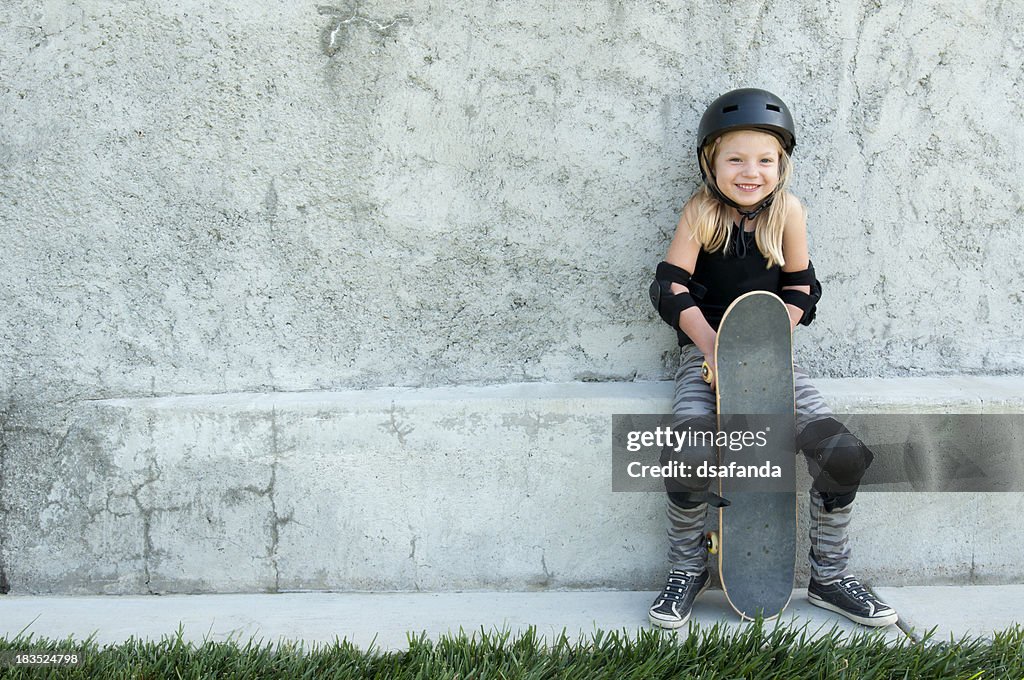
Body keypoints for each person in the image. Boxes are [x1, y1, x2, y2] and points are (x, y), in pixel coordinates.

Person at [646, 88, 898, 629]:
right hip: (704, 359)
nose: (750, 171)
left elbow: (803, 289)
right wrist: (716, 345)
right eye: (735, 159)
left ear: (781, 164)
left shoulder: (788, 212)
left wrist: (763, 338)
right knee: (686, 457)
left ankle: (829, 577)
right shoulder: (701, 212)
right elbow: (669, 289)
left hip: (776, 366)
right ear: (710, 163)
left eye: (764, 160)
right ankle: (687, 570)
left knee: (843, 454)